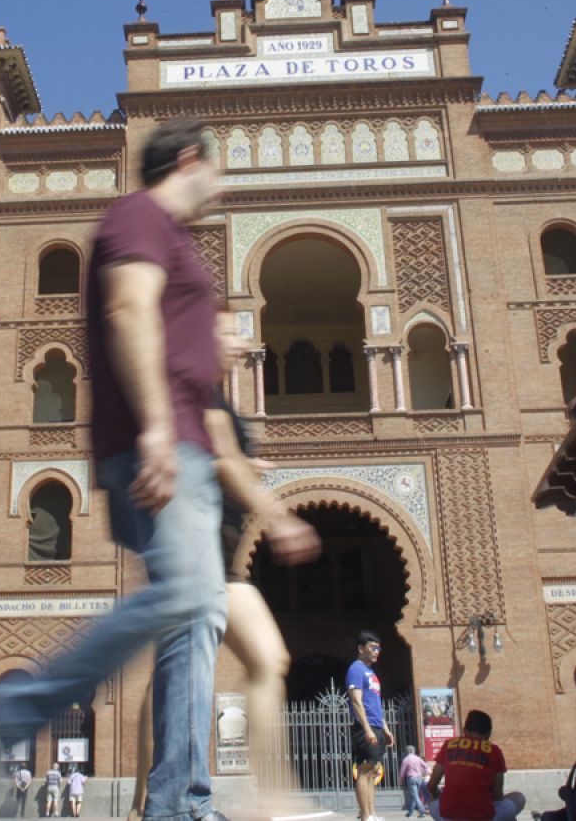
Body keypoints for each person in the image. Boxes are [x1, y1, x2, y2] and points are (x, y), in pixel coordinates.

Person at [0, 117, 230, 821]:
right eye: (217, 168)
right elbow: (129, 311)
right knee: (188, 600)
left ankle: (180, 802)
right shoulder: (138, 214)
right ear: (187, 159)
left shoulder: (172, 237)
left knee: (196, 621)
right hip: (161, 449)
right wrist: (157, 428)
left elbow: (177, 338)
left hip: (186, 449)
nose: (222, 184)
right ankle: (23, 704)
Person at [125, 313, 325, 821]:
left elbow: (221, 459)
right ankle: (163, 802)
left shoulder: (214, 402)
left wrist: (242, 470)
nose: (240, 342)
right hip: (190, 555)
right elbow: (202, 457)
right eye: (227, 333)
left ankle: (267, 797)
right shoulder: (188, 395)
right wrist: (275, 513)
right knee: (216, 669)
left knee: (255, 662)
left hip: (221, 560)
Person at [426, 710, 524, 821]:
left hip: (448, 817)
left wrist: (438, 794)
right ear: (488, 734)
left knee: (432, 800)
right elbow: (497, 795)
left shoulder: (449, 745)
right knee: (519, 797)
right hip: (484, 817)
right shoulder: (495, 751)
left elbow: (431, 786)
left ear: (464, 731)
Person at [349, 631, 394, 821]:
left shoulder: (372, 673)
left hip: (376, 727)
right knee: (364, 770)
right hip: (365, 728)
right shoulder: (356, 669)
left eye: (378, 648)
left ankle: (372, 813)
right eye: (372, 647)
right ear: (361, 649)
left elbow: (375, 703)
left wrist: (385, 729)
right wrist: (367, 728)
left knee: (373, 771)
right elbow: (356, 701)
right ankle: (366, 815)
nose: (376, 651)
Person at [400, 745, 429, 817]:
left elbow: (402, 771)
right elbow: (426, 766)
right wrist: (424, 773)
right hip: (419, 778)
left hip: (411, 778)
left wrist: (401, 780)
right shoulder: (418, 758)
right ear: (413, 751)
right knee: (414, 795)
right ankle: (410, 812)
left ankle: (422, 811)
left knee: (415, 795)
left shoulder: (406, 759)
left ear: (406, 752)